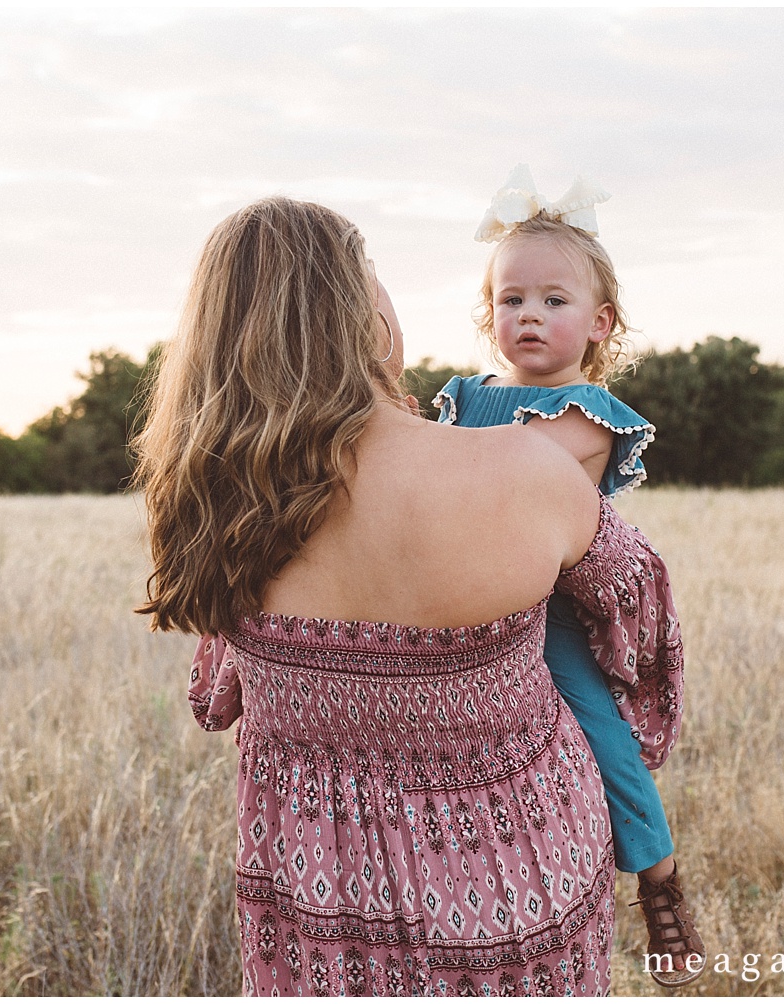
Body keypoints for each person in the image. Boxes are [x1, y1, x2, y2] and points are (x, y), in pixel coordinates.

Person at [133, 196, 683, 995]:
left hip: (313, 905)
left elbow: (216, 694)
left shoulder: (217, 507)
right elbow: (637, 627)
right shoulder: (528, 469)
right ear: (359, 309)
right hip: (515, 886)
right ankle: (658, 862)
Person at [433, 165, 705, 987]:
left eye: (554, 301)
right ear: (490, 313)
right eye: (512, 299)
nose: (530, 316)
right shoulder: (460, 397)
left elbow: (508, 491)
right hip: (449, 596)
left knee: (599, 729)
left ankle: (659, 880)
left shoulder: (587, 414)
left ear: (598, 322)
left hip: (541, 609)